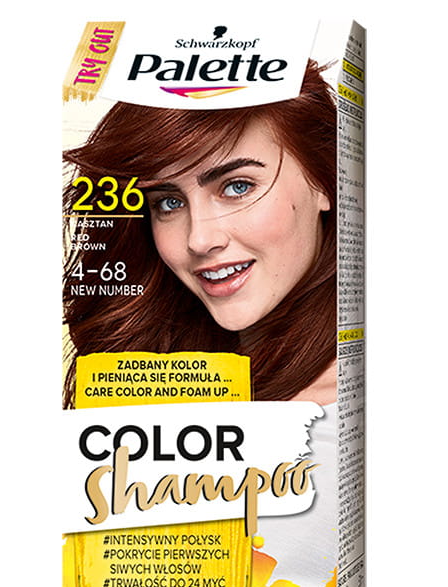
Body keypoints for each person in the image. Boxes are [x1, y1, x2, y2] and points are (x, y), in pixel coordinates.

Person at [62, 60, 336, 407]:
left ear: (322, 179)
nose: (199, 240)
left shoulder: (336, 407)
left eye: (237, 187)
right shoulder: (157, 379)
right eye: (169, 203)